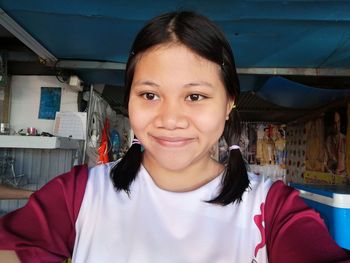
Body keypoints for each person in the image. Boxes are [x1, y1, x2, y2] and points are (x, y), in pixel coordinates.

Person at [0, 11, 349, 263]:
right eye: (150, 95)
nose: (169, 119)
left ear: (228, 103)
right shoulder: (78, 195)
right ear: (130, 99)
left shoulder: (272, 209)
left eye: (195, 96)